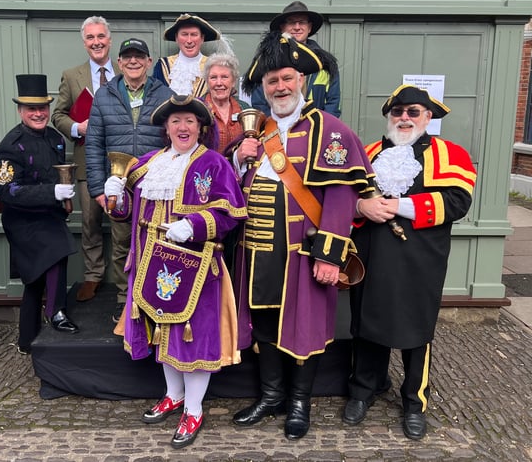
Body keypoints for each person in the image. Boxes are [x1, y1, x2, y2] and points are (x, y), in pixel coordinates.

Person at [230, 31, 373, 440]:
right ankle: (272, 396)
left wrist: (329, 255)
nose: (279, 87)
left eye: (287, 78)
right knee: (264, 324)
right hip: (257, 251)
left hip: (303, 253)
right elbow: (234, 189)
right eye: (272, 81)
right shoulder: (256, 131)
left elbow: (343, 197)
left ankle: (298, 403)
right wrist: (240, 161)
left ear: (302, 81)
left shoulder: (328, 130)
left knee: (303, 329)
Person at [104, 94, 247, 449]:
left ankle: (194, 409)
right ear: (166, 128)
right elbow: (125, 214)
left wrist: (195, 225)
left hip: (193, 266)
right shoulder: (149, 163)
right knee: (161, 332)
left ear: (200, 127)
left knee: (192, 338)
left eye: (189, 121)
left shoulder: (215, 164)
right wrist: (116, 198)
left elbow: (231, 213)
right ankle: (174, 394)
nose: (182, 127)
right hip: (150, 262)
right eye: (175, 121)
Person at [343, 85, 477, 440]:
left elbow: (458, 202)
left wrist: (401, 206)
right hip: (372, 249)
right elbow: (345, 197)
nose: (404, 118)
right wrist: (361, 207)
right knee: (366, 320)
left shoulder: (450, 154)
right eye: (398, 112)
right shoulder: (368, 152)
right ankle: (363, 390)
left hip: (420, 255)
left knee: (417, 328)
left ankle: (415, 401)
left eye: (413, 112)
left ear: (428, 117)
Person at [85, 38, 175, 323]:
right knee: (122, 243)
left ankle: (154, 299)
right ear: (119, 63)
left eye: (140, 56)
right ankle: (126, 301)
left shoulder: (166, 94)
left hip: (156, 185)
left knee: (156, 242)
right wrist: (99, 188)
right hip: (118, 185)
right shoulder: (104, 95)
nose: (134, 61)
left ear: (149, 62)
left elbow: (174, 140)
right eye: (128, 57)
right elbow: (94, 144)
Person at [0, 74, 79, 354]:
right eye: (32, 109)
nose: (39, 113)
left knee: (35, 279)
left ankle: (27, 340)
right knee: (57, 250)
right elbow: (8, 192)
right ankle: (56, 312)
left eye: (43, 108)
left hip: (49, 216)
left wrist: (63, 200)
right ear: (20, 111)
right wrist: (53, 193)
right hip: (23, 220)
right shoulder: (8, 147)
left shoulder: (55, 138)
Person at [52, 16, 118, 302]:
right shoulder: (71, 75)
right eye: (90, 38)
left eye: (101, 36)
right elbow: (58, 115)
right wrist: (78, 127)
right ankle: (93, 276)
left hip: (119, 161)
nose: (96, 42)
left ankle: (123, 281)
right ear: (84, 43)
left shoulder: (126, 71)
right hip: (86, 159)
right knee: (90, 222)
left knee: (121, 221)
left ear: (109, 40)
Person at [249, 1, 341, 118]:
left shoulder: (326, 63)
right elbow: (259, 103)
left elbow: (333, 104)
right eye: (292, 22)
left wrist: (321, 128)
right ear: (282, 27)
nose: (297, 27)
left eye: (302, 22)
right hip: (278, 130)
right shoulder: (268, 59)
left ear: (309, 27)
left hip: (315, 131)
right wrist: (276, 127)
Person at [153, 13, 220, 97]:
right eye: (184, 34)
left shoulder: (212, 65)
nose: (189, 40)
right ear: (176, 38)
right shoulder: (162, 66)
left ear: (202, 38)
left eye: (194, 35)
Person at [200, 52, 250, 154]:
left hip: (239, 168)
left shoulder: (244, 108)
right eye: (213, 77)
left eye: (224, 77)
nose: (219, 83)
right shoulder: (198, 108)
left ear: (233, 81)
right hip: (209, 168)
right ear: (207, 82)